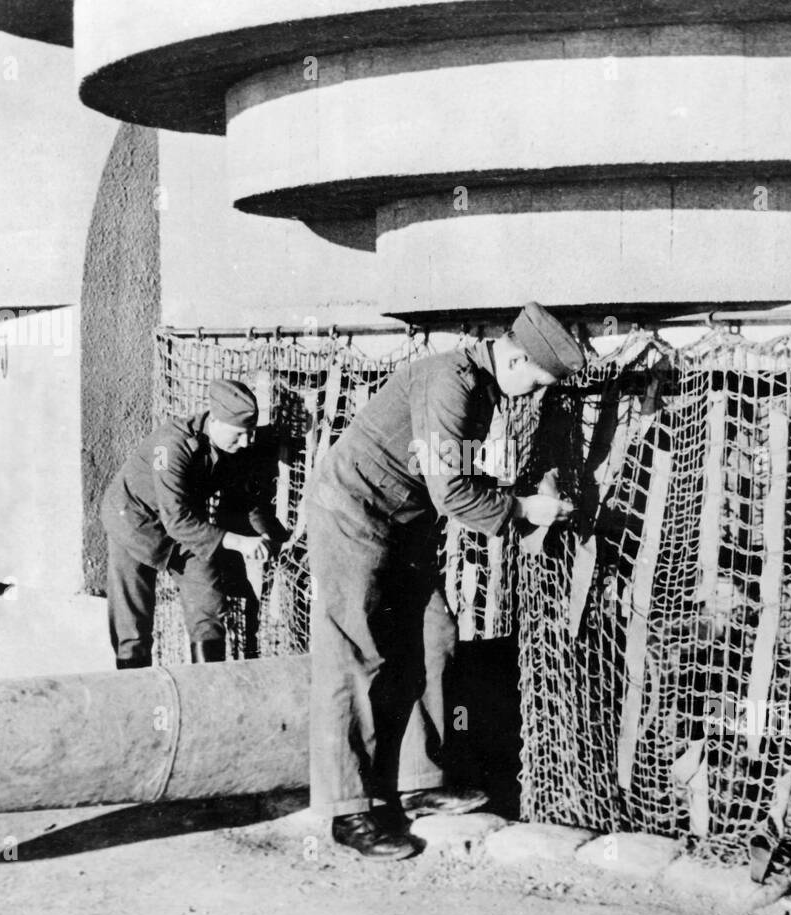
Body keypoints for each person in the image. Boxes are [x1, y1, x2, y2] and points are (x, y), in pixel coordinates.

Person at [305, 302, 587, 858]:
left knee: (435, 635)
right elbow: (453, 493)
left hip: (402, 516)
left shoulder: (482, 388)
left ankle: (419, 781)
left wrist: (514, 493)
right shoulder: (451, 382)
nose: (533, 394)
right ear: (514, 356)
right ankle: (348, 811)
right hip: (352, 509)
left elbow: (444, 467)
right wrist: (524, 511)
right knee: (355, 653)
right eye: (536, 381)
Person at [102, 378, 287, 668]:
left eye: (250, 433)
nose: (247, 442)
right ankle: (136, 693)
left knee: (209, 605)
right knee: (133, 621)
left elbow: (245, 500)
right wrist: (240, 543)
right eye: (239, 434)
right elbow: (176, 520)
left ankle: (206, 689)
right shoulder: (172, 446)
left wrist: (269, 537)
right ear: (215, 420)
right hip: (135, 522)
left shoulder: (235, 448)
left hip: (189, 529)